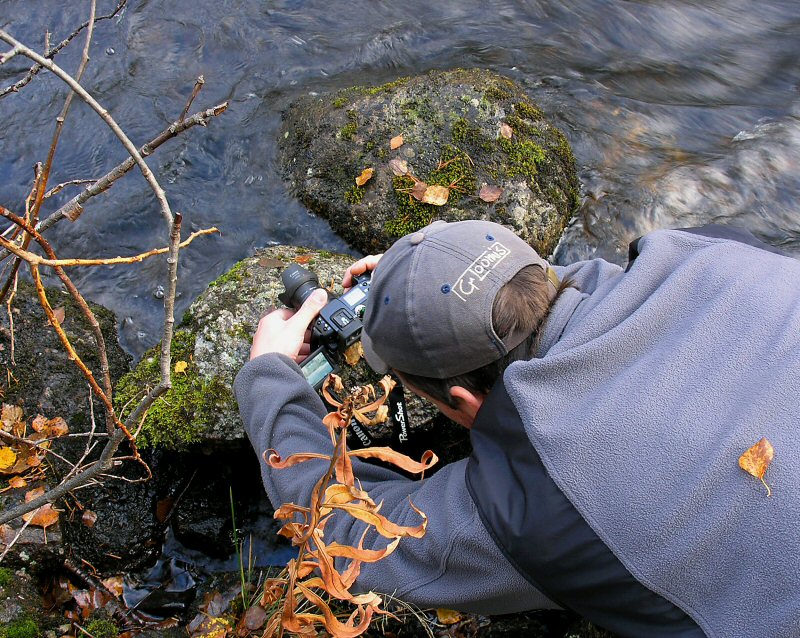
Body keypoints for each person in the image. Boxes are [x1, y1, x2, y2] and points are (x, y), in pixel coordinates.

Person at [234, 220, 800, 638]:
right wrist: (451, 279)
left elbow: (339, 531)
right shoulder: (705, 252)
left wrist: (270, 378)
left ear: (460, 400)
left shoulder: (532, 506)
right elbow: (566, 290)